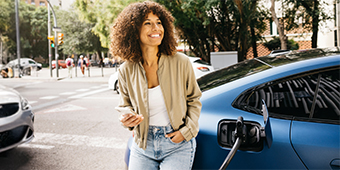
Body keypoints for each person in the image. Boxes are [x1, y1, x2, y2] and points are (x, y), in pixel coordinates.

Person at [110, 1, 202, 170]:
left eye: (159, 22)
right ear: (134, 32)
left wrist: (186, 131)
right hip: (143, 144)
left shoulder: (181, 62)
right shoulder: (125, 70)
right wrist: (127, 120)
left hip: (177, 144)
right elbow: (125, 106)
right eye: (148, 23)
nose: (156, 28)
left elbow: (194, 100)